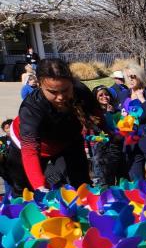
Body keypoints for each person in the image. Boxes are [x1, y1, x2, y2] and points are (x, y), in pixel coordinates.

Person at [3, 59, 102, 194]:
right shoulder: (31, 107)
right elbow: (30, 150)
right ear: (39, 85)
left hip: (68, 140)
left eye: (65, 90)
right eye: (53, 92)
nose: (61, 97)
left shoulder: (81, 91)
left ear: (72, 82)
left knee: (81, 183)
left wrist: (112, 133)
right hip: (28, 146)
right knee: (25, 191)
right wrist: (39, 186)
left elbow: (98, 115)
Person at [90, 85, 123, 186]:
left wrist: (112, 114)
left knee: (116, 177)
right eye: (101, 95)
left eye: (106, 94)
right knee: (103, 180)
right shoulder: (94, 114)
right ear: (95, 98)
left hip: (116, 147)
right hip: (100, 150)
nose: (104, 97)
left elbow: (122, 128)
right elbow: (98, 130)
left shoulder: (117, 111)